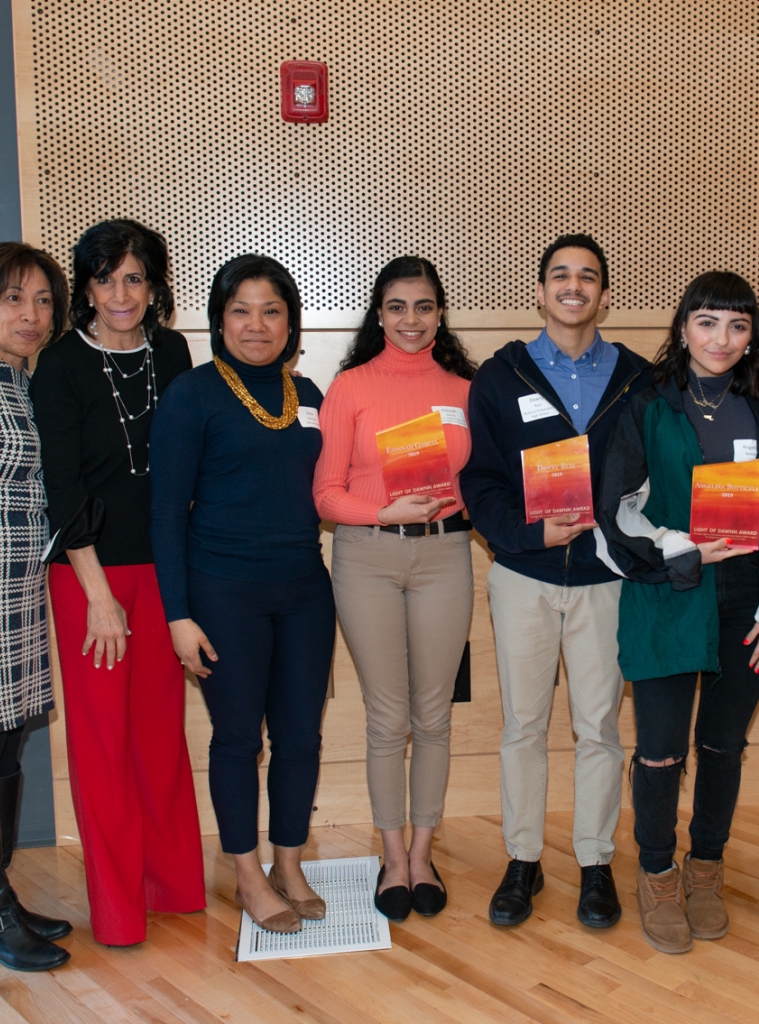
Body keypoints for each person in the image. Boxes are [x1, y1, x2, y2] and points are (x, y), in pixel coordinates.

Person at [597, 271, 759, 953]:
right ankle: (658, 872)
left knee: (723, 746)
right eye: (708, 321)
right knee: (660, 751)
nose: (722, 338)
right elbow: (615, 511)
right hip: (669, 592)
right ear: (683, 328)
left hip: (748, 602)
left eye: (737, 325)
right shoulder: (647, 405)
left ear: (752, 336)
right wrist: (681, 547)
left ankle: (707, 867)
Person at [460, 234, 650, 929]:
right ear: (539, 292)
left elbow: (654, 478)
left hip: (605, 578)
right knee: (523, 725)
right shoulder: (500, 376)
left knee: (599, 726)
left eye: (588, 276)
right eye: (561, 275)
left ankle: (596, 862)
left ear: (605, 295)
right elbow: (479, 480)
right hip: (523, 574)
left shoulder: (637, 378)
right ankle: (523, 859)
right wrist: (525, 534)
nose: (574, 286)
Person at [29, 220, 205, 946]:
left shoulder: (174, 353)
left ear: (154, 286)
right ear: (87, 289)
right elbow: (62, 487)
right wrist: (98, 596)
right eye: (105, 279)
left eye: (134, 278)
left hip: (164, 567)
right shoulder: (60, 364)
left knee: (160, 733)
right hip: (87, 577)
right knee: (104, 743)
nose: (121, 293)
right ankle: (118, 910)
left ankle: (174, 886)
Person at [152, 254, 335, 934]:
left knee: (300, 737)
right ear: (219, 320)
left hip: (305, 590)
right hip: (223, 592)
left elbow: (334, 486)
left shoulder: (309, 395)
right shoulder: (191, 395)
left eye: (271, 311)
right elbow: (165, 515)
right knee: (236, 740)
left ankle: (289, 863)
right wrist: (178, 615)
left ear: (291, 324)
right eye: (241, 311)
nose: (256, 325)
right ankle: (248, 874)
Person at [314, 256, 475, 921]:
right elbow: (326, 494)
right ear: (379, 315)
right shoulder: (350, 387)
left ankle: (423, 854)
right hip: (368, 558)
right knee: (388, 718)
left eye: (424, 306)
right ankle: (392, 857)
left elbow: (481, 482)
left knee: (434, 715)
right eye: (398, 307)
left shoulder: (465, 390)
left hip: (445, 557)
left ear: (440, 314)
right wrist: (383, 511)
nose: (412, 319)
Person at [0, 241, 72, 971]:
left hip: (18, 590)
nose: (30, 314)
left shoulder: (23, 380)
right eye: (14, 298)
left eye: (42, 301)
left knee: (7, 738)